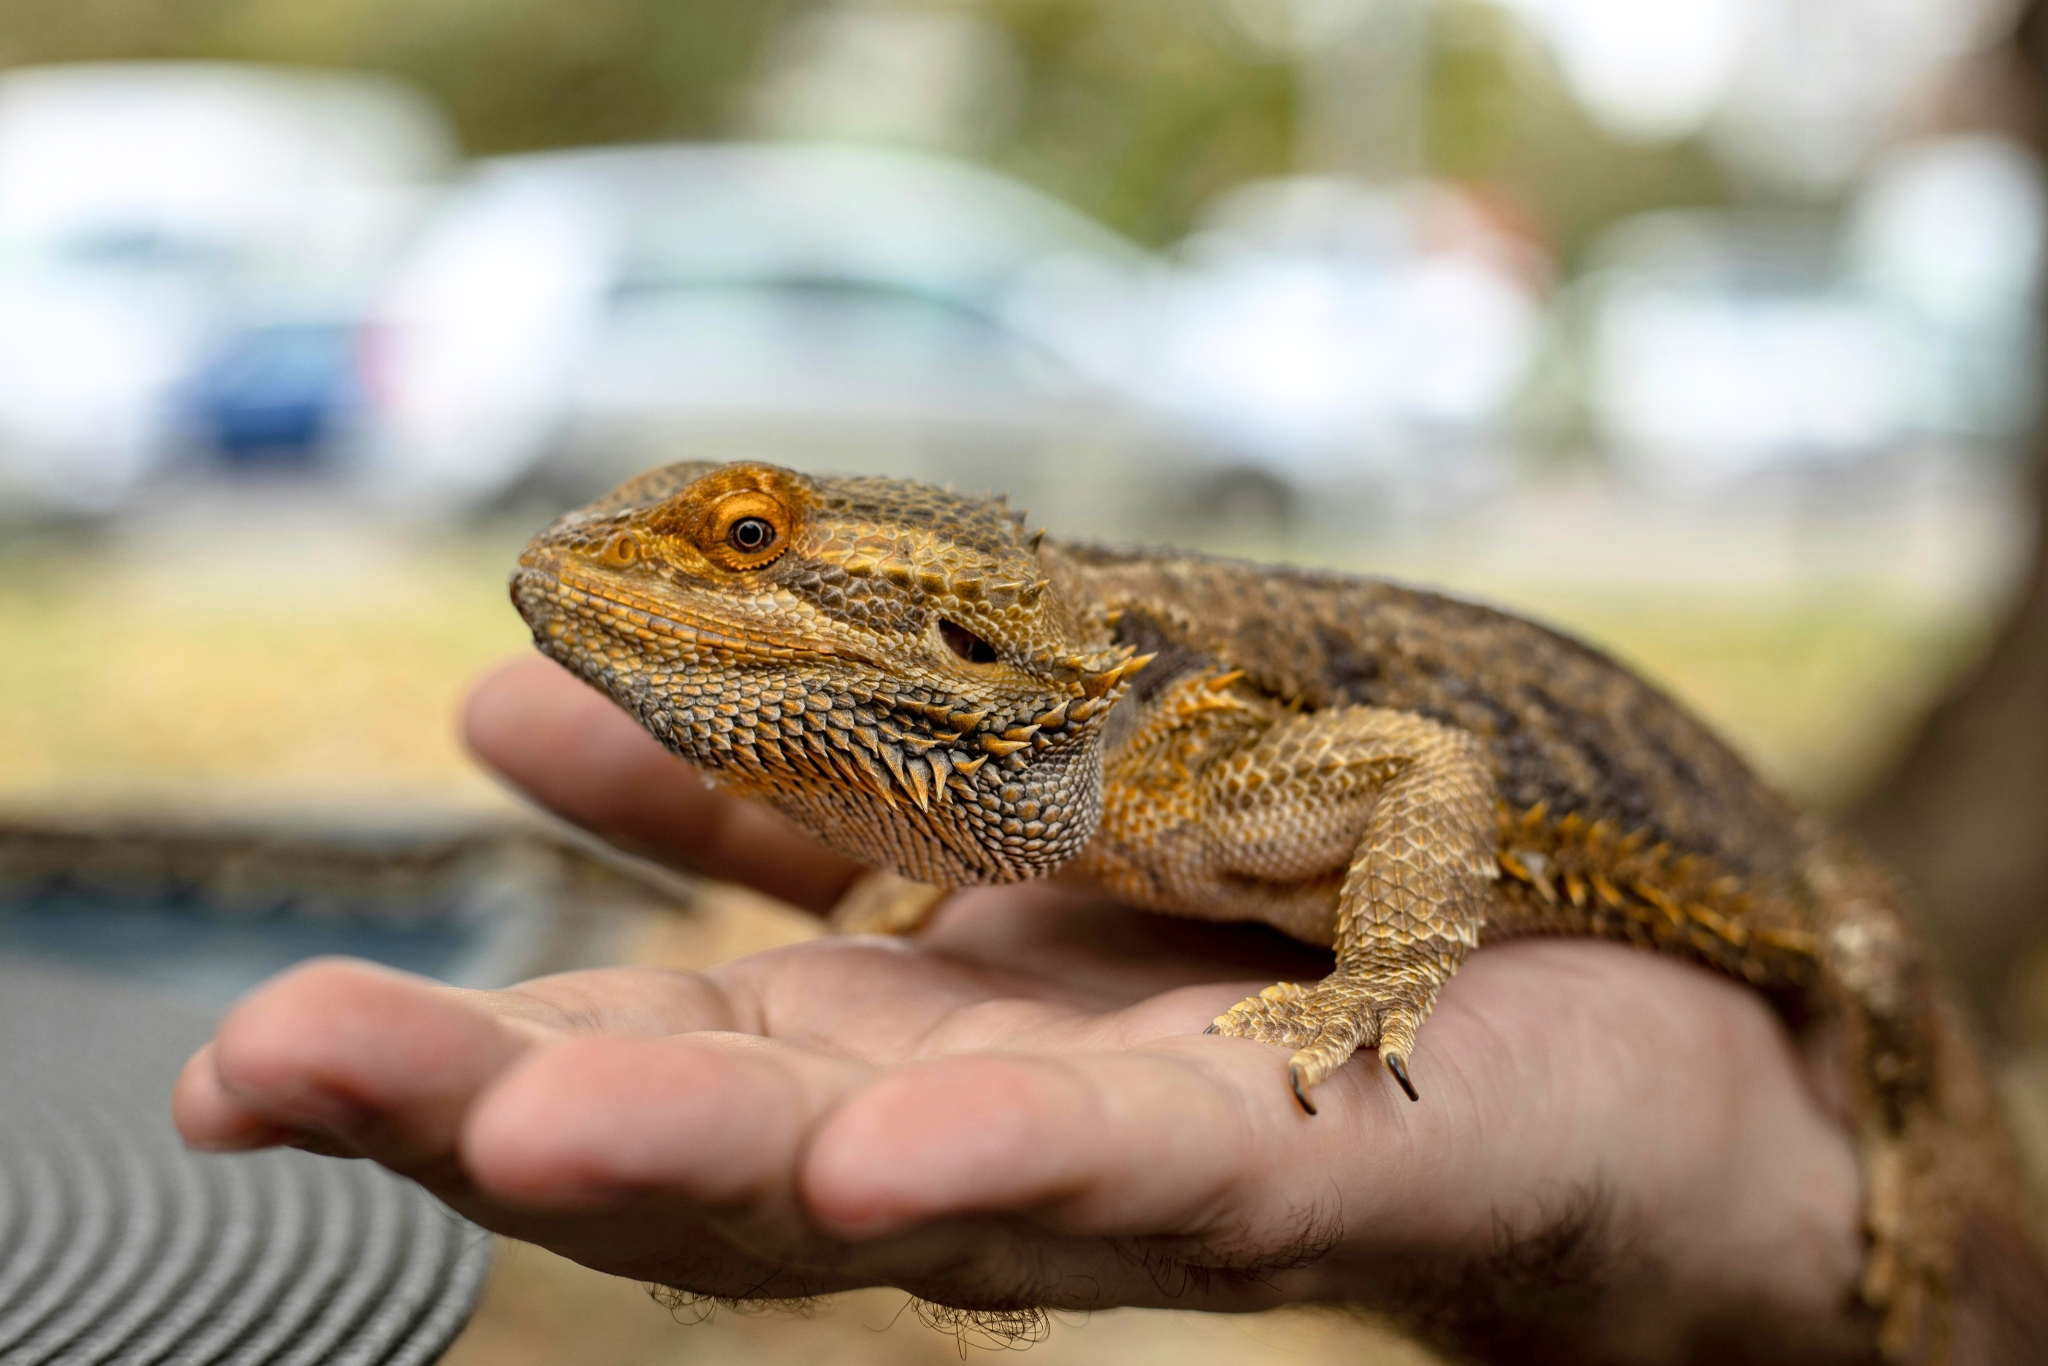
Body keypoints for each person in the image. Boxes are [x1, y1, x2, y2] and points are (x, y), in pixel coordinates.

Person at [177, 656, 1915, 1362]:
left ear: (969, 631)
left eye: (752, 543)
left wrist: (1383, 977)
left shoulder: (1188, 761)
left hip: (1792, 919)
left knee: (1919, 1099)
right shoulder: (1070, 776)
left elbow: (1420, 761)